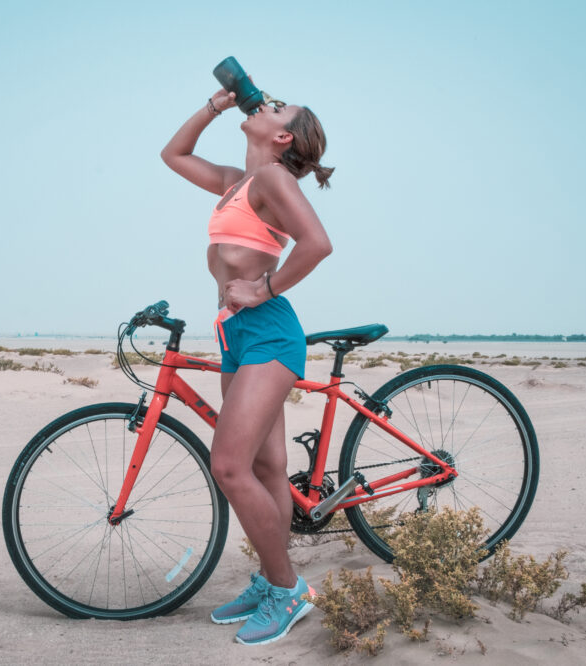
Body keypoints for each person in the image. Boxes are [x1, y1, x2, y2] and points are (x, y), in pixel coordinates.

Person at [160, 84, 334, 645]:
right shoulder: (240, 181)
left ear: (283, 136)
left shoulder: (275, 179)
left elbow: (318, 243)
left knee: (229, 467)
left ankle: (288, 590)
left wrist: (265, 287)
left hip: (267, 334)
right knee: (265, 470)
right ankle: (269, 580)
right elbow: (174, 156)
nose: (266, 104)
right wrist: (215, 106)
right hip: (235, 335)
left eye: (277, 108)